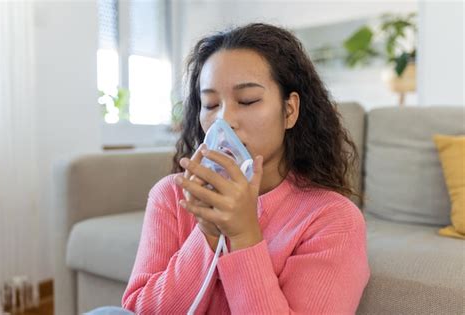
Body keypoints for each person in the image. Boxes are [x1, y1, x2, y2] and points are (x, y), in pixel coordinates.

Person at [120, 23, 370, 314]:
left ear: (289, 110)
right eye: (211, 104)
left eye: (248, 100)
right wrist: (208, 234)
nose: (225, 121)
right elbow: (138, 311)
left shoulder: (333, 219)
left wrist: (243, 235)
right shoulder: (171, 195)